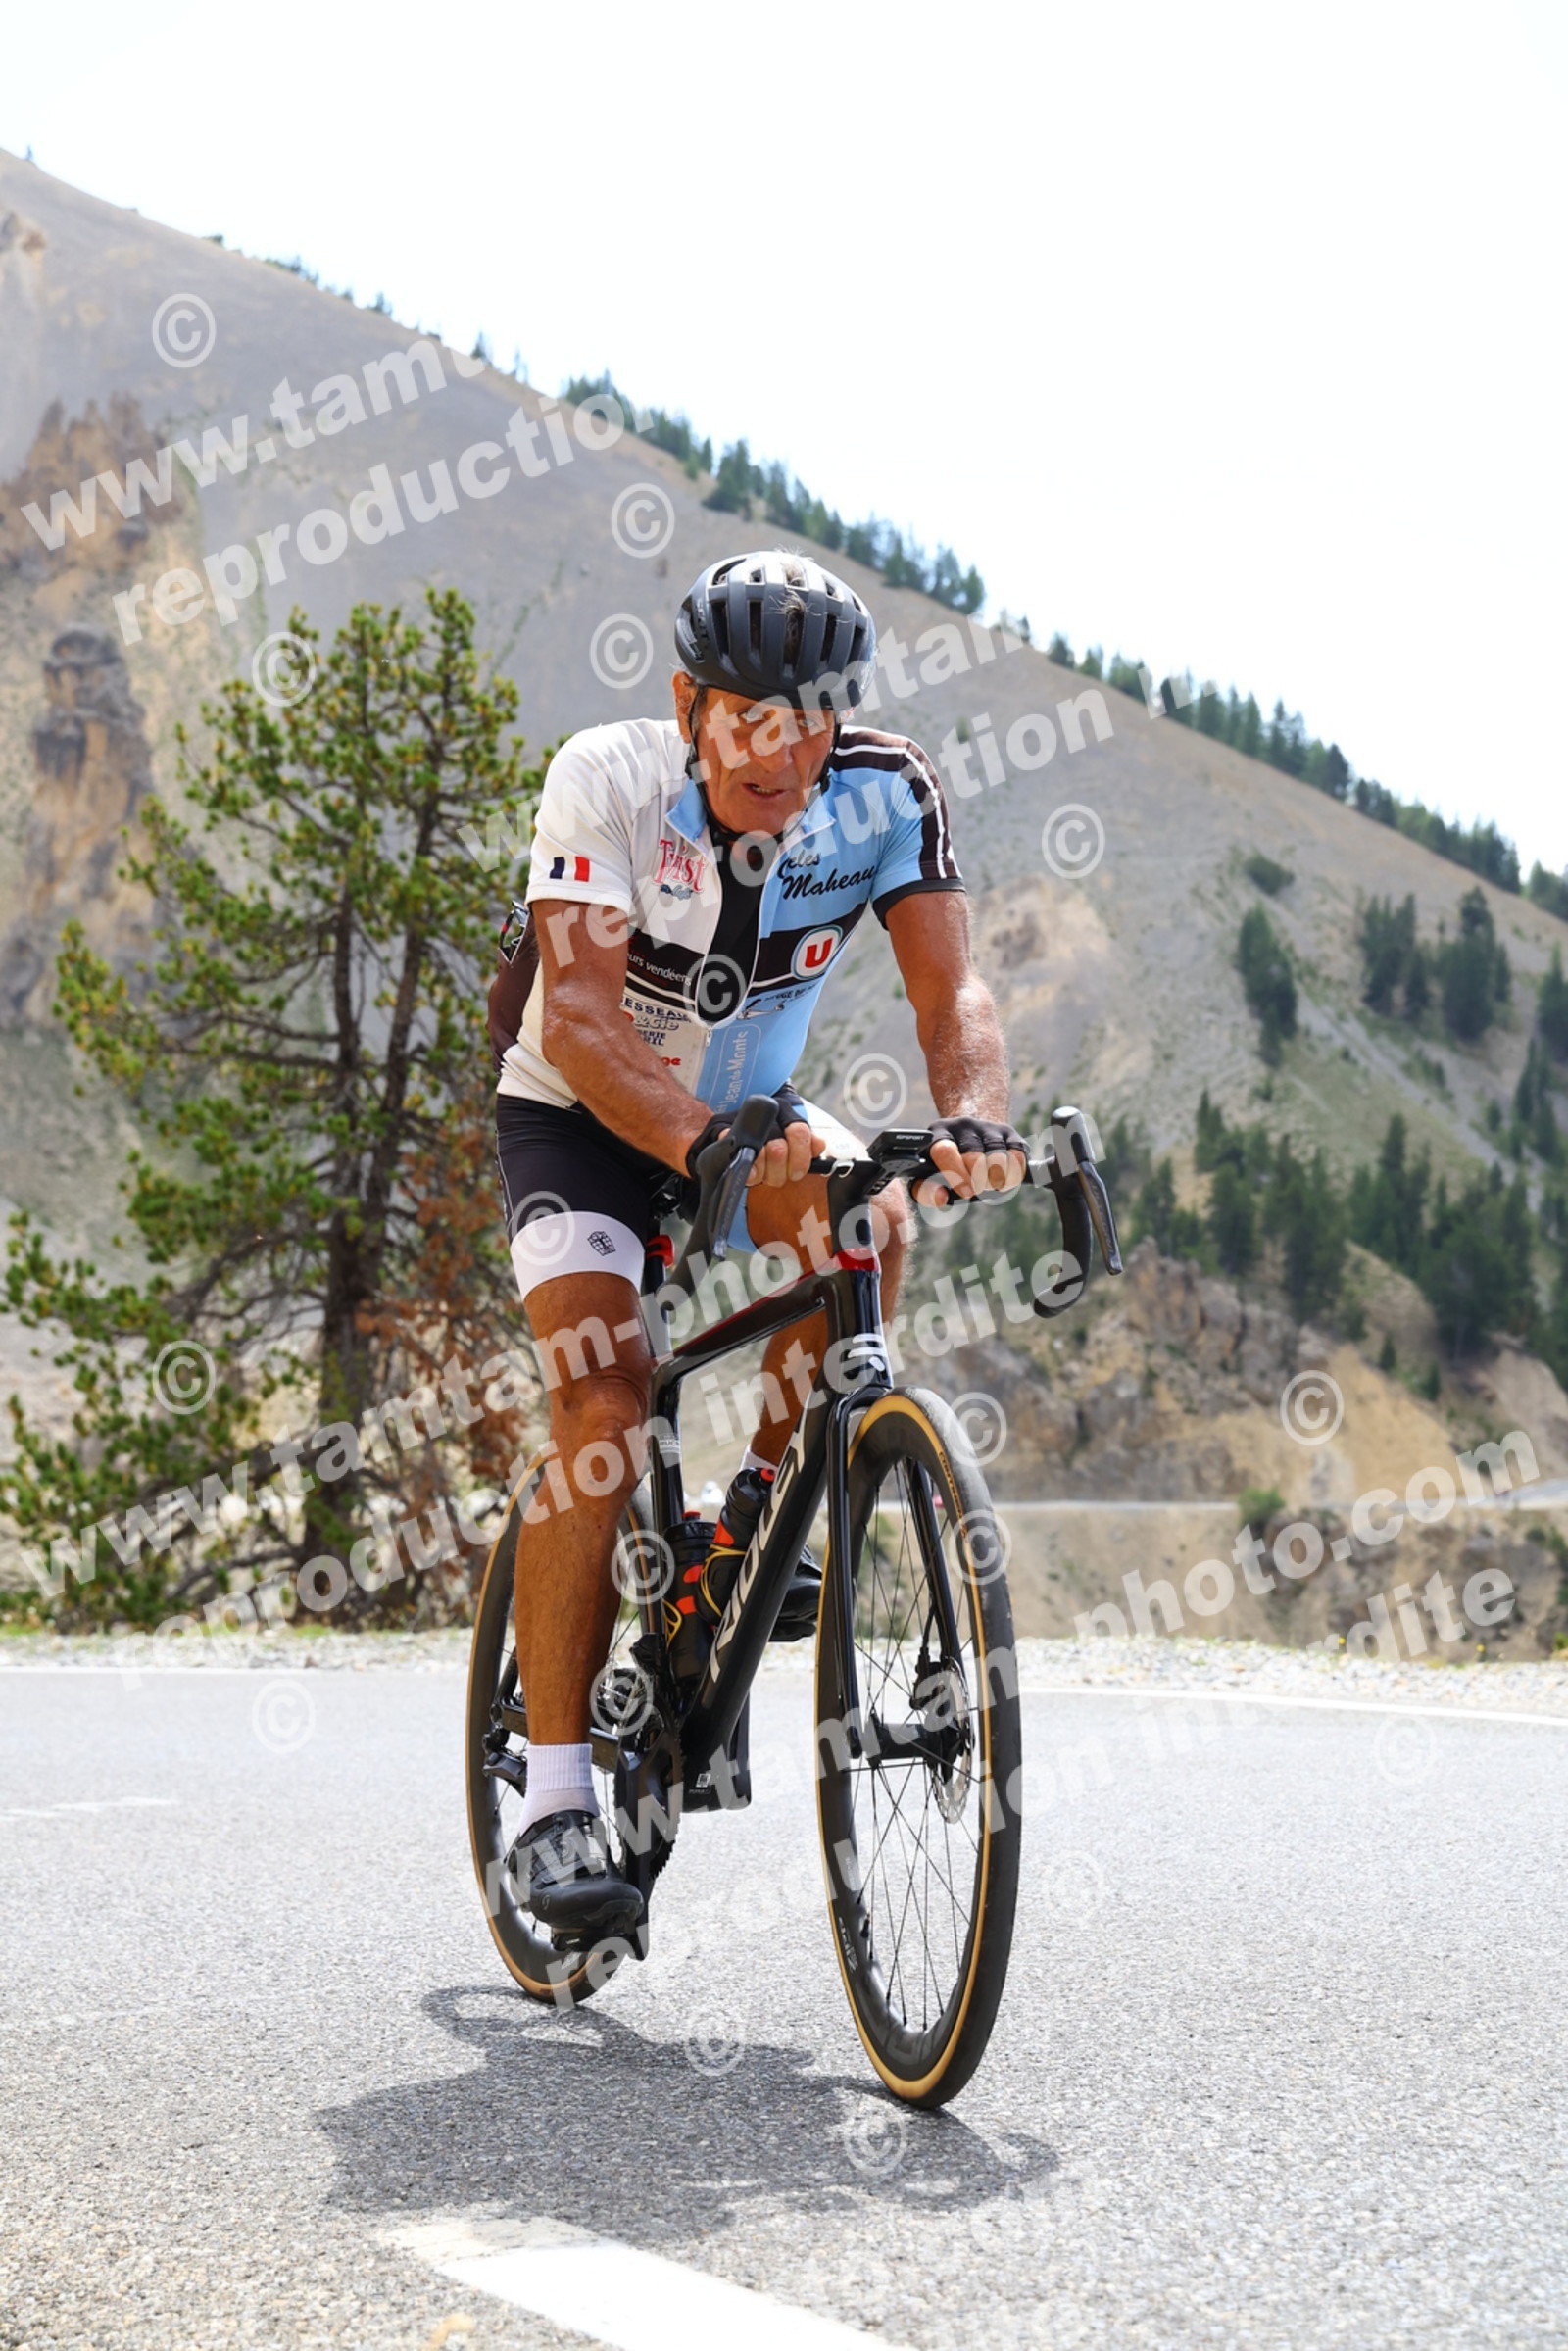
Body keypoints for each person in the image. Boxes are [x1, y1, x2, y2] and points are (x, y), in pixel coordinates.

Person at [487, 549, 1026, 1936]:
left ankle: (747, 1530)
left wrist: (974, 1114)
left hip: (750, 1116)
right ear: (689, 704)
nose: (781, 753)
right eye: (748, 720)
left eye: (811, 721)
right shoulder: (607, 779)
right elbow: (583, 1021)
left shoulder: (888, 792)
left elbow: (951, 989)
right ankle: (554, 1801)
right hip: (581, 1114)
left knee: (870, 1226)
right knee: (604, 1408)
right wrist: (693, 1142)